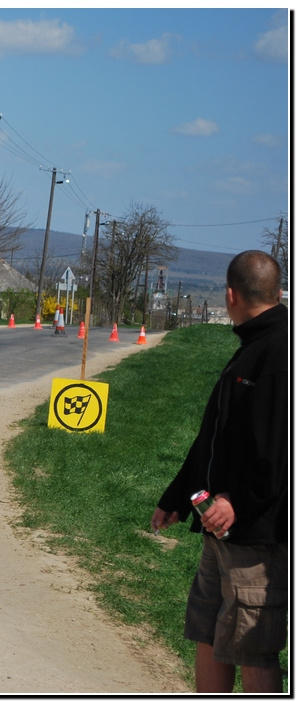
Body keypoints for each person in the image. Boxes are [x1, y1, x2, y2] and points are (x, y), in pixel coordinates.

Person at [150, 249, 288, 693]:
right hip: (219, 528)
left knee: (252, 648)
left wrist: (238, 501)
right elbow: (217, 436)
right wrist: (176, 496)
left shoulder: (280, 352)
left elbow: (280, 452)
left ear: (229, 296)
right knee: (208, 633)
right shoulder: (250, 349)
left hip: (256, 536)